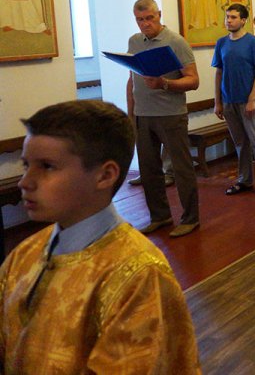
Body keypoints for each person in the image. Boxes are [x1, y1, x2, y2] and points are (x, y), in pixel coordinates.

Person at [4, 100, 199, 372]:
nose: (25, 182)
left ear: (105, 175)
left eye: (47, 166)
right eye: (26, 165)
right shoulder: (26, 252)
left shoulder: (139, 275)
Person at [126, 0, 201, 237]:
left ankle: (190, 218)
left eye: (149, 18)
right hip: (143, 115)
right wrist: (131, 112)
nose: (145, 24)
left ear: (159, 14)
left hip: (170, 115)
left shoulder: (176, 41)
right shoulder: (134, 41)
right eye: (140, 19)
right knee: (148, 170)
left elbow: (193, 80)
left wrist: (164, 84)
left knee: (181, 169)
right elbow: (132, 79)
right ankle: (160, 216)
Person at [212, 3, 255, 199]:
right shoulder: (221, 43)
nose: (229, 20)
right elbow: (219, 72)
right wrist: (217, 101)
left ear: (243, 20)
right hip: (229, 100)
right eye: (227, 17)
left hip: (249, 101)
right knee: (240, 143)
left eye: (233, 17)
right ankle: (244, 180)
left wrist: (252, 99)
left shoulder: (253, 42)